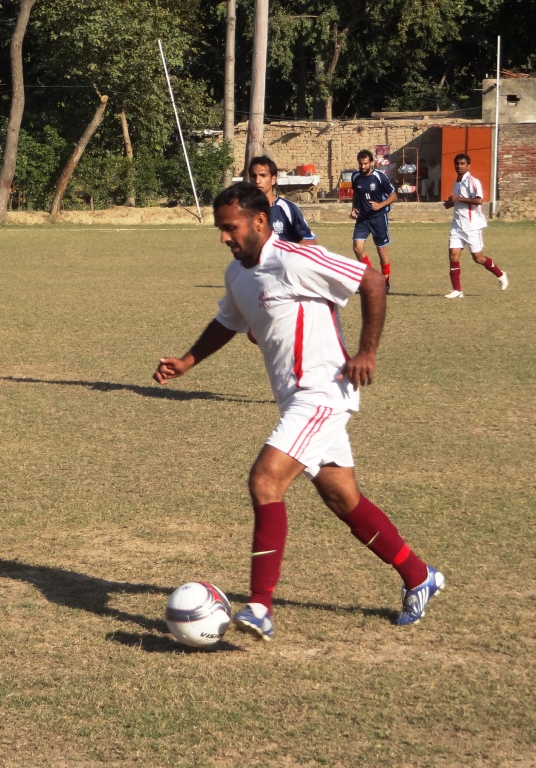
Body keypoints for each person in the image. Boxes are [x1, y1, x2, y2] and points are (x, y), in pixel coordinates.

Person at [153, 182, 443, 641]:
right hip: (295, 399)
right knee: (342, 498)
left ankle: (260, 607)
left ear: (259, 221)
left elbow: (370, 281)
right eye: (220, 229)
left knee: (265, 479)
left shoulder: (294, 259)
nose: (224, 237)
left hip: (323, 392)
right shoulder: (238, 274)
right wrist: (188, 361)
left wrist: (367, 351)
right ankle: (419, 575)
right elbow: (229, 320)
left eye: (231, 228)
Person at [443, 153, 508, 299]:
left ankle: (500, 274)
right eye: (457, 163)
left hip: (472, 225)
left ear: (468, 166)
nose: (459, 166)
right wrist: (450, 203)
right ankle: (457, 290)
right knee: (453, 255)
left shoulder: (472, 181)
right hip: (457, 225)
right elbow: (460, 201)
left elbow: (479, 201)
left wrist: (458, 198)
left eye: (462, 164)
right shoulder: (457, 182)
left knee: (478, 258)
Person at [350, 149, 396, 294]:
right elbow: (356, 194)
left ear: (371, 163)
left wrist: (380, 205)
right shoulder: (355, 176)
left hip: (378, 218)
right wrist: (354, 208)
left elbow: (393, 196)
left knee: (381, 251)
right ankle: (371, 279)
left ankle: (385, 281)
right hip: (362, 219)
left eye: (365, 163)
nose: (363, 166)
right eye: (360, 164)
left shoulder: (380, 177)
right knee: (357, 248)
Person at [248, 155, 317, 244]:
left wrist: (287, 252)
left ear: (273, 179)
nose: (257, 181)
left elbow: (310, 240)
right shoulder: (245, 210)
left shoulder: (287, 208)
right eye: (253, 176)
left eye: (263, 175)